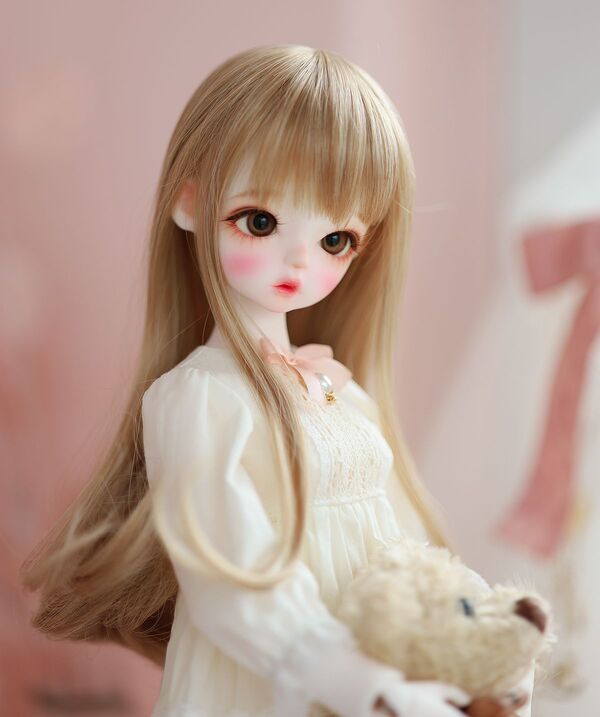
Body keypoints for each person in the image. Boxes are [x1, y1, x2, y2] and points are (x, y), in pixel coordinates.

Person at [21, 45, 532, 716]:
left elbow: (401, 545)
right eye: (260, 222)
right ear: (189, 202)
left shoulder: (338, 392)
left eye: (334, 240)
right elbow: (229, 580)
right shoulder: (201, 399)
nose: (298, 261)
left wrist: (477, 637)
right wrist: (356, 681)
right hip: (268, 684)